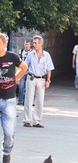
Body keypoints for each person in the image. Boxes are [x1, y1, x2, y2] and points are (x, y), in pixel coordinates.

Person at [0, 33, 28, 163]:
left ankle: (6, 154)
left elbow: (24, 67)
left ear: (5, 44)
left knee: (9, 133)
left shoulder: (12, 57)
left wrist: (16, 77)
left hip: (9, 100)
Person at [23, 35, 54, 128]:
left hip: (41, 79)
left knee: (40, 100)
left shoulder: (47, 55)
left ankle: (37, 121)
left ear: (41, 44)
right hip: (31, 78)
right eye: (33, 42)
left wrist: (48, 80)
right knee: (29, 99)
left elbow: (49, 69)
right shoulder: (30, 54)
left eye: (36, 43)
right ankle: (27, 120)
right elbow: (24, 66)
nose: (34, 44)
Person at [17, 39, 32, 105]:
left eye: (28, 44)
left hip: (29, 71)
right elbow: (18, 61)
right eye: (26, 44)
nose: (26, 46)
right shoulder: (21, 51)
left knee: (28, 87)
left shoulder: (32, 52)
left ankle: (26, 101)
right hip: (22, 71)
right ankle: (20, 100)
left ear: (30, 45)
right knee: (21, 86)